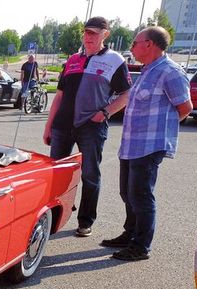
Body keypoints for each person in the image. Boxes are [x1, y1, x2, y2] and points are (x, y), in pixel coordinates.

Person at [102, 26, 192, 261]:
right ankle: (130, 234)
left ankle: (141, 246)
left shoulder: (170, 72)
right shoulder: (147, 71)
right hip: (131, 144)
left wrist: (161, 130)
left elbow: (185, 108)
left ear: (149, 44)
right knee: (127, 193)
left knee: (141, 195)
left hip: (150, 146)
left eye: (135, 42)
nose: (131, 46)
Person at [43, 16, 131, 238]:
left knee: (90, 175)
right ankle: (55, 215)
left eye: (93, 33)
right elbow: (59, 96)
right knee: (58, 173)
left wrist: (105, 113)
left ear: (105, 34)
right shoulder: (73, 59)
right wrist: (48, 126)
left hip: (91, 127)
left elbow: (127, 93)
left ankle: (85, 221)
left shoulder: (115, 60)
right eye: (86, 32)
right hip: (63, 125)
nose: (88, 37)